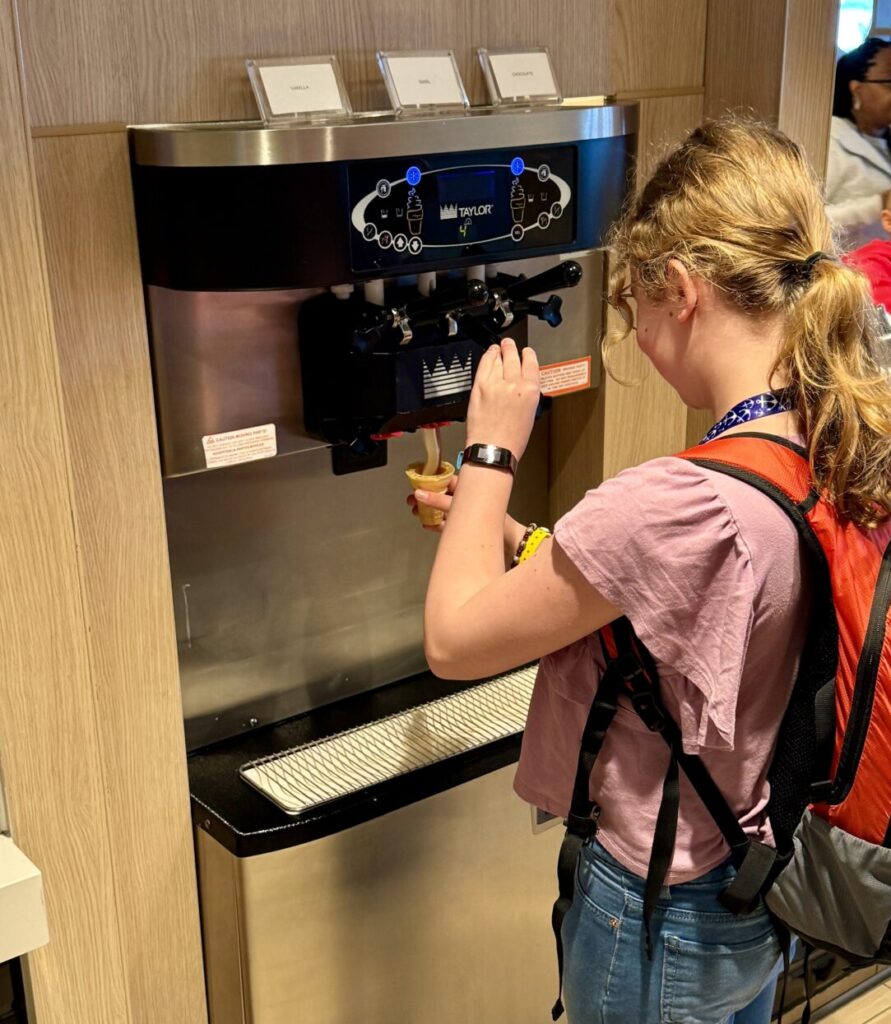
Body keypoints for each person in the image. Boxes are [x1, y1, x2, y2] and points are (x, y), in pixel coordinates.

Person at [408, 117, 891, 1023]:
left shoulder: (677, 501)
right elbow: (679, 609)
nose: (636, 342)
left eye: (632, 312)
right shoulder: (827, 435)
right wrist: (514, 540)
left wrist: (488, 451)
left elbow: (451, 640)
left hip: (657, 909)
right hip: (753, 874)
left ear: (678, 288)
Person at [827, 37, 891, 249]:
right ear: (856, 89)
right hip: (848, 275)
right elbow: (807, 223)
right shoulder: (830, 141)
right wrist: (878, 204)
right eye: (888, 83)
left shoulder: (885, 141)